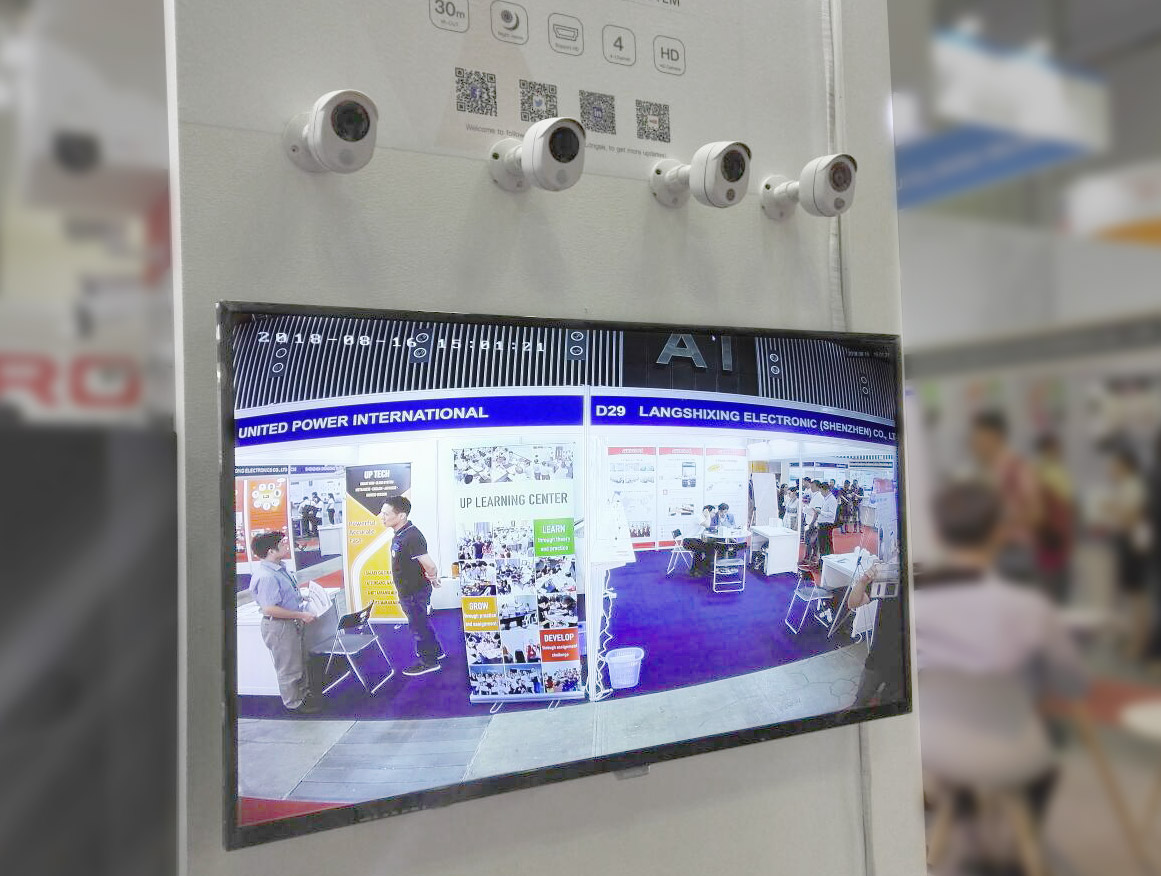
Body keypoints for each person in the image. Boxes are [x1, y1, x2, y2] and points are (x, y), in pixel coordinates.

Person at [247, 532, 319, 713]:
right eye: (282, 543)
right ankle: (294, 703)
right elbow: (269, 609)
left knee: (299, 661)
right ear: (271, 551)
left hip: (290, 623)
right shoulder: (266, 576)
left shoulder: (280, 569)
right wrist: (300, 615)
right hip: (279, 626)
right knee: (288, 667)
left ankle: (303, 695)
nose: (286, 545)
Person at [969, 410, 1042, 581]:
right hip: (990, 554)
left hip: (1014, 553)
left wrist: (1003, 522)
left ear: (996, 437)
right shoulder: (983, 471)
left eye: (979, 438)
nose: (975, 444)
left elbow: (1037, 513)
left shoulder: (1017, 468)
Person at [379, 495, 445, 676]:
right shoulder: (401, 534)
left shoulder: (412, 536)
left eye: (386, 514)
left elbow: (430, 565)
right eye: (382, 513)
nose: (382, 517)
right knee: (421, 622)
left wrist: (433, 578)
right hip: (410, 590)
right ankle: (436, 651)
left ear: (401, 516)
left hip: (414, 591)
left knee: (418, 626)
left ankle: (429, 661)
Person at [1099, 445, 1153, 660]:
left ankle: (1138, 644)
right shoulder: (1126, 486)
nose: (1111, 469)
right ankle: (1134, 641)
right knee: (1132, 596)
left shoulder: (1133, 486)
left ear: (1125, 466)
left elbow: (1132, 518)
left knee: (1137, 596)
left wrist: (1111, 508)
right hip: (1127, 543)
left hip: (1132, 544)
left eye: (1115, 464)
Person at [683, 505, 715, 574]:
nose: (714, 514)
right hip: (688, 541)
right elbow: (707, 525)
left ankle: (702, 568)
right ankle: (697, 569)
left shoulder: (702, 518)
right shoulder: (699, 517)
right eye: (713, 512)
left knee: (711, 547)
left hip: (695, 540)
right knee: (700, 549)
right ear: (707, 511)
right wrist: (708, 516)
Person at [816, 481, 838, 559]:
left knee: (826, 545)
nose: (821, 493)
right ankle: (822, 560)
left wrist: (820, 512)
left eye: (822, 491)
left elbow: (832, 514)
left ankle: (828, 560)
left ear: (826, 490)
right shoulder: (826, 499)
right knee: (822, 545)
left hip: (827, 525)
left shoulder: (832, 500)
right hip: (822, 524)